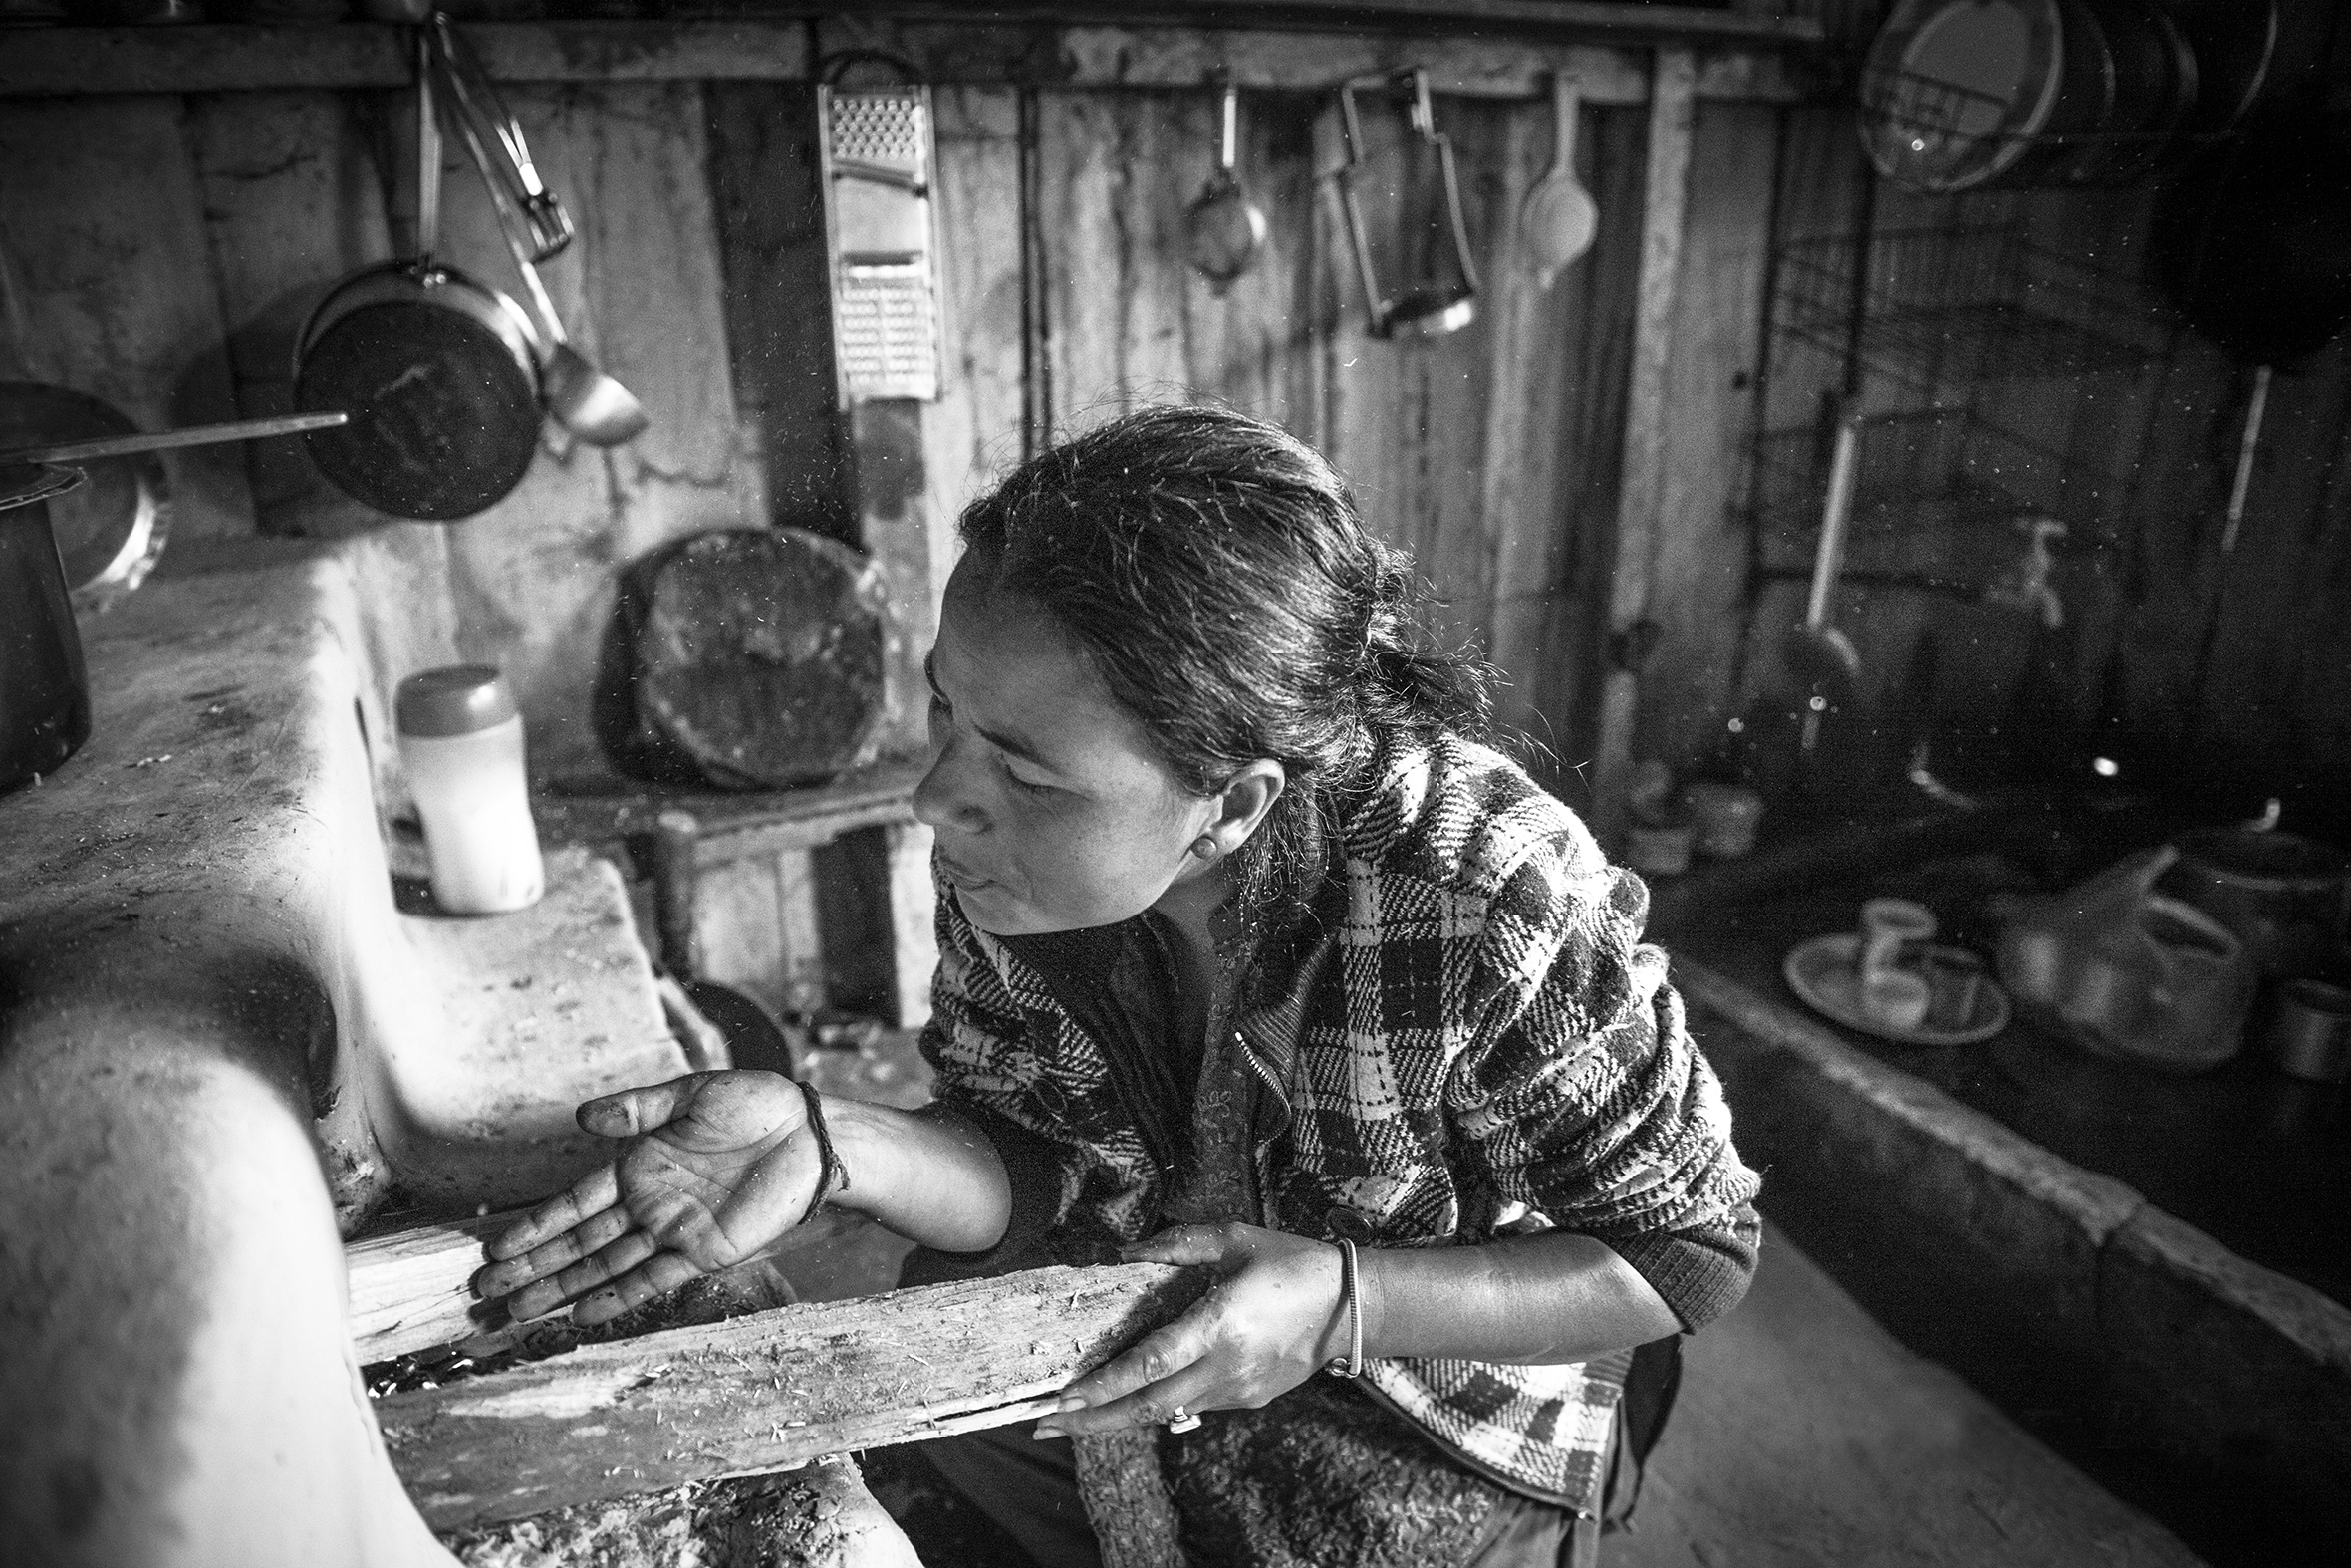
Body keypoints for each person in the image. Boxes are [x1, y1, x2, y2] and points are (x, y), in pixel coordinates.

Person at [477, 404, 1762, 1567]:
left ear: (1231, 806)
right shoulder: (1019, 866)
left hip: (1437, 1397)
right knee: (903, 1387)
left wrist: (1344, 1304)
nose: (937, 800)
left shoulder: (1481, 899)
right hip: (1176, 1310)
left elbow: (1691, 1254)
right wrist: (833, 1143)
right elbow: (1037, 1154)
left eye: (1025, 772)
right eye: (944, 714)